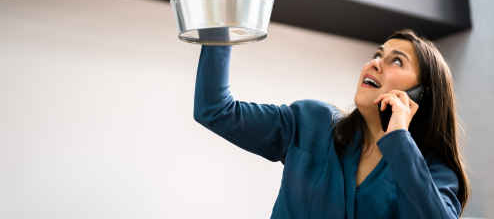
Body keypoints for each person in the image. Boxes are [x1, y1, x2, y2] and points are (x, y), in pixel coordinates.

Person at [194, 29, 471, 218]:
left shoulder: (437, 173)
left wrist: (399, 137)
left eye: (396, 61)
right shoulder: (308, 122)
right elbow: (214, 110)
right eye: (377, 54)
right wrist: (220, 24)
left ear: (421, 94)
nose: (374, 63)